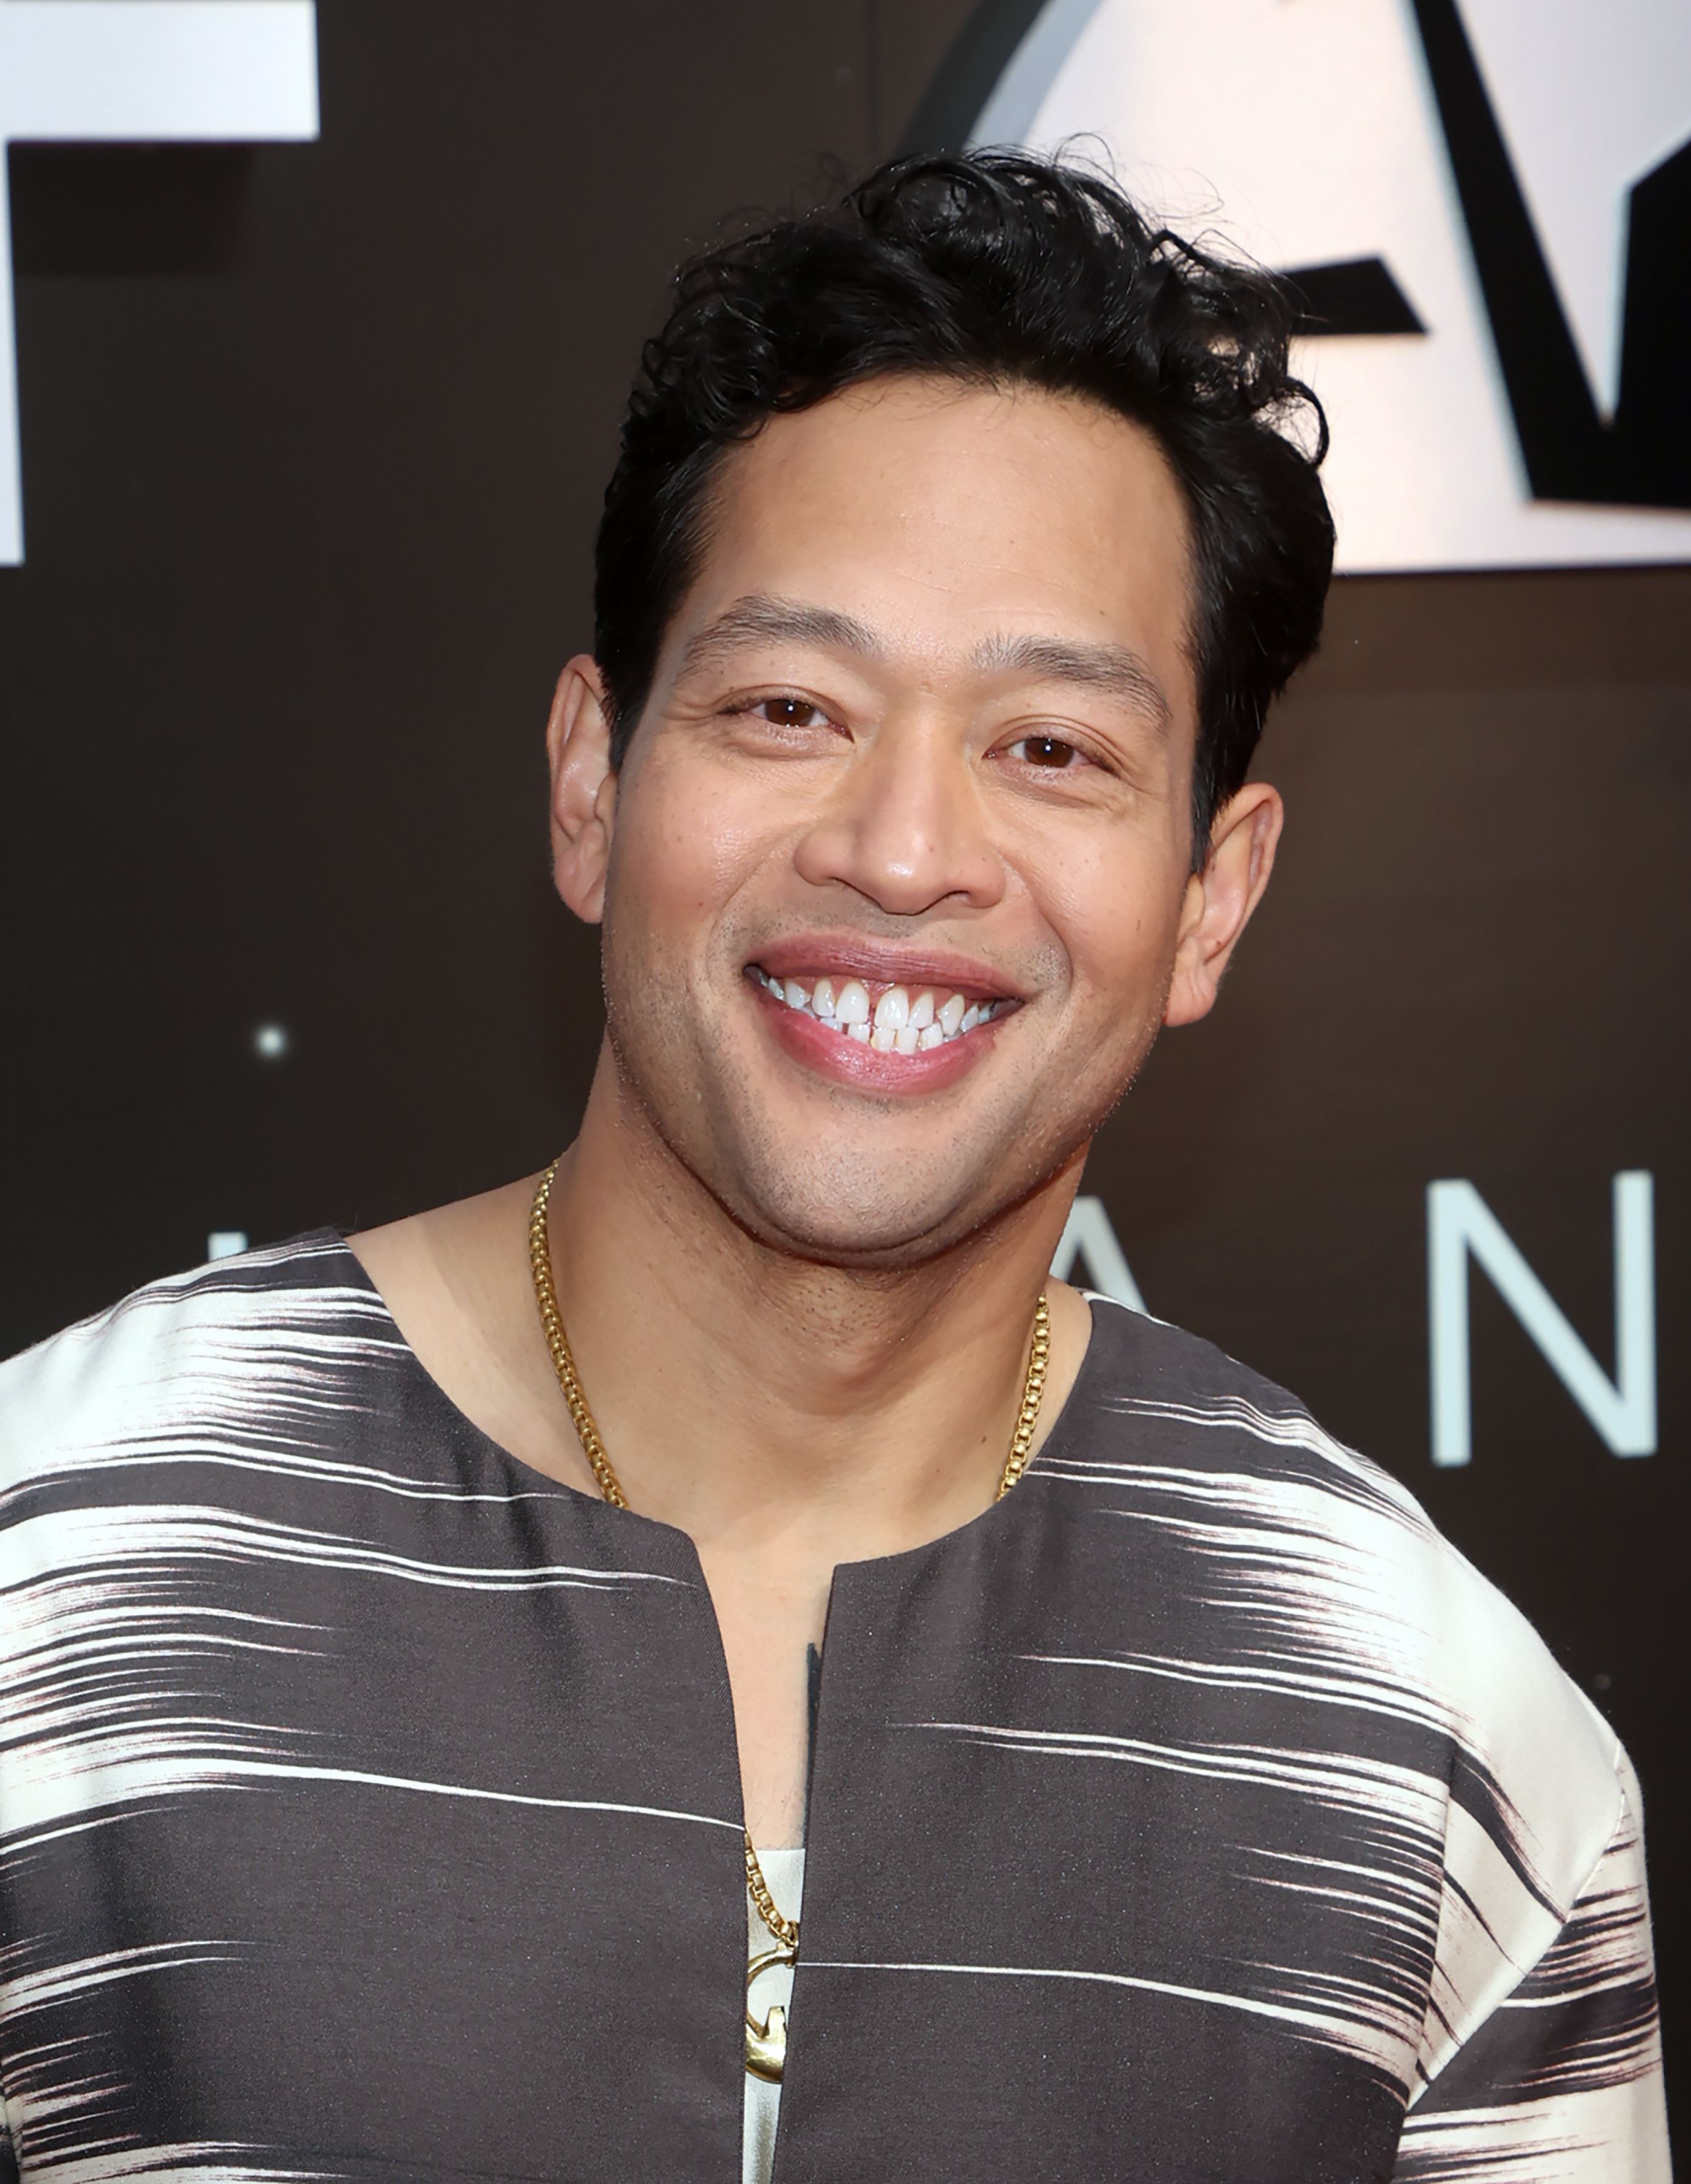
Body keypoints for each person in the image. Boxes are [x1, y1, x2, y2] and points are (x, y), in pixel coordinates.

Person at [0, 151, 1669, 2184]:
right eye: (789, 707)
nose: (901, 850)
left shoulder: (1429, 1741)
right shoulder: (61, 1563)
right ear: (591, 785)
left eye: (1051, 748)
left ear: (1211, 901)